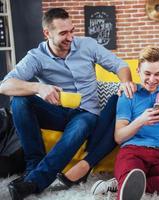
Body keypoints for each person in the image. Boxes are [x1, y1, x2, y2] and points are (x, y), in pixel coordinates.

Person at [0, 8, 135, 200]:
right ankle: (34, 164)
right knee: (20, 101)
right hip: (56, 112)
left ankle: (35, 181)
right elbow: (4, 85)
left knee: (83, 122)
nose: (70, 37)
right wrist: (38, 87)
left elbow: (119, 65)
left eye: (72, 30)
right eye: (63, 33)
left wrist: (125, 82)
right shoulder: (36, 56)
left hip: (86, 113)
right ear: (47, 33)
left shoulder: (87, 45)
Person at [91, 47, 159, 200]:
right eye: (147, 73)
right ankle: (126, 184)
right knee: (130, 177)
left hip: (158, 157)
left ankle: (124, 183)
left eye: (157, 74)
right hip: (132, 152)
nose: (152, 79)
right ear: (138, 70)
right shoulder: (128, 94)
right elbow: (119, 137)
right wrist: (141, 121)